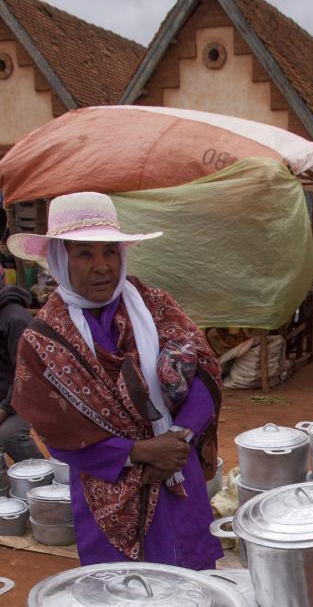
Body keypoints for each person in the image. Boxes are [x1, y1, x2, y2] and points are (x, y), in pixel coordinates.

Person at [9, 192, 223, 569]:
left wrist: (178, 438)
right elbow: (56, 431)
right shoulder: (43, 340)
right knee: (123, 604)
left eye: (110, 251)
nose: (101, 266)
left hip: (176, 468)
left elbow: (204, 369)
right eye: (84, 254)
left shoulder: (155, 305)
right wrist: (139, 452)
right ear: (61, 258)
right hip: (108, 487)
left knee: (193, 598)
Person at [0, 281, 43, 463]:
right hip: (6, 396)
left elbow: (26, 374)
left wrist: (4, 409)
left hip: (30, 394)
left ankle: (47, 482)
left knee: (10, 434)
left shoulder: (15, 319)